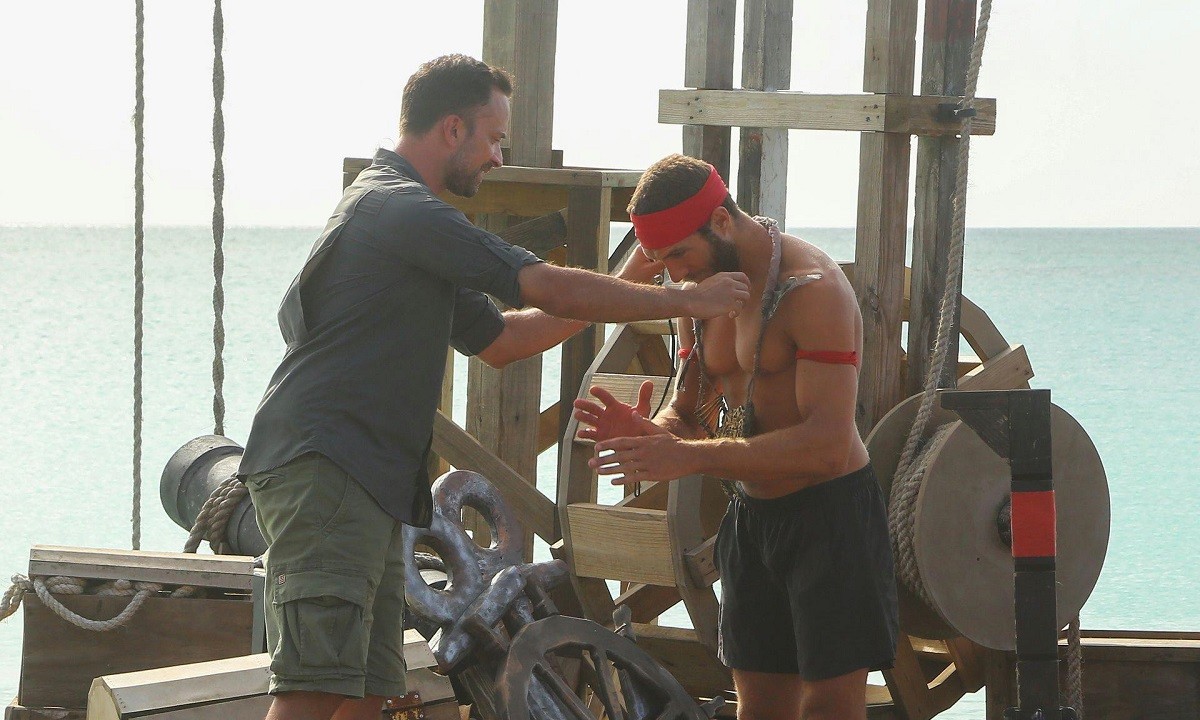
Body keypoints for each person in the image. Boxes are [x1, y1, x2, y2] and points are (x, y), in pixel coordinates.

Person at [237, 58, 750, 720]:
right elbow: (546, 286)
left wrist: (634, 276)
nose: (499, 157)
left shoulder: (400, 223)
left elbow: (503, 339)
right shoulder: (403, 210)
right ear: (453, 128)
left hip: (362, 481)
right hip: (326, 470)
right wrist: (687, 296)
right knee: (314, 689)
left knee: (366, 691)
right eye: (495, 138)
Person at [573, 153, 898, 720]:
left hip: (830, 518)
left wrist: (688, 457)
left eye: (680, 254)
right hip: (751, 517)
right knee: (759, 706)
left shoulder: (812, 289)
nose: (674, 274)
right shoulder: (696, 292)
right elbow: (690, 410)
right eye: (661, 261)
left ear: (721, 221)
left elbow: (825, 446)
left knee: (829, 708)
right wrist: (654, 435)